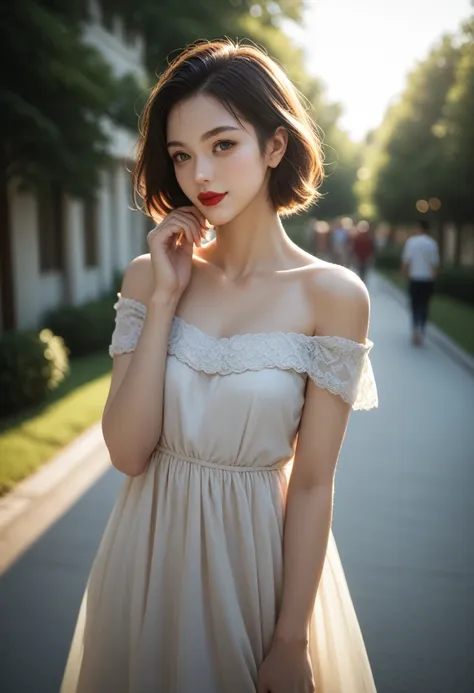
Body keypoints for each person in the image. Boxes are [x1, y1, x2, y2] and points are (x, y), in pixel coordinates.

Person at [61, 39, 378, 693]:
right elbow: (125, 449)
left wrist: (291, 640)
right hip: (145, 558)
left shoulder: (333, 296)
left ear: (274, 146)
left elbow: (314, 483)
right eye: (181, 155)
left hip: (254, 565)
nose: (199, 173)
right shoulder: (152, 276)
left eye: (222, 145)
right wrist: (169, 294)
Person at [401, 219, 440, 346]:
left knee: (414, 305)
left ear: (419, 228)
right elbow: (435, 265)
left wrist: (405, 275)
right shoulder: (432, 244)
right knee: (424, 305)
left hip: (415, 278)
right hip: (427, 279)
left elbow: (406, 262)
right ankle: (421, 330)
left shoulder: (411, 242)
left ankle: (415, 330)